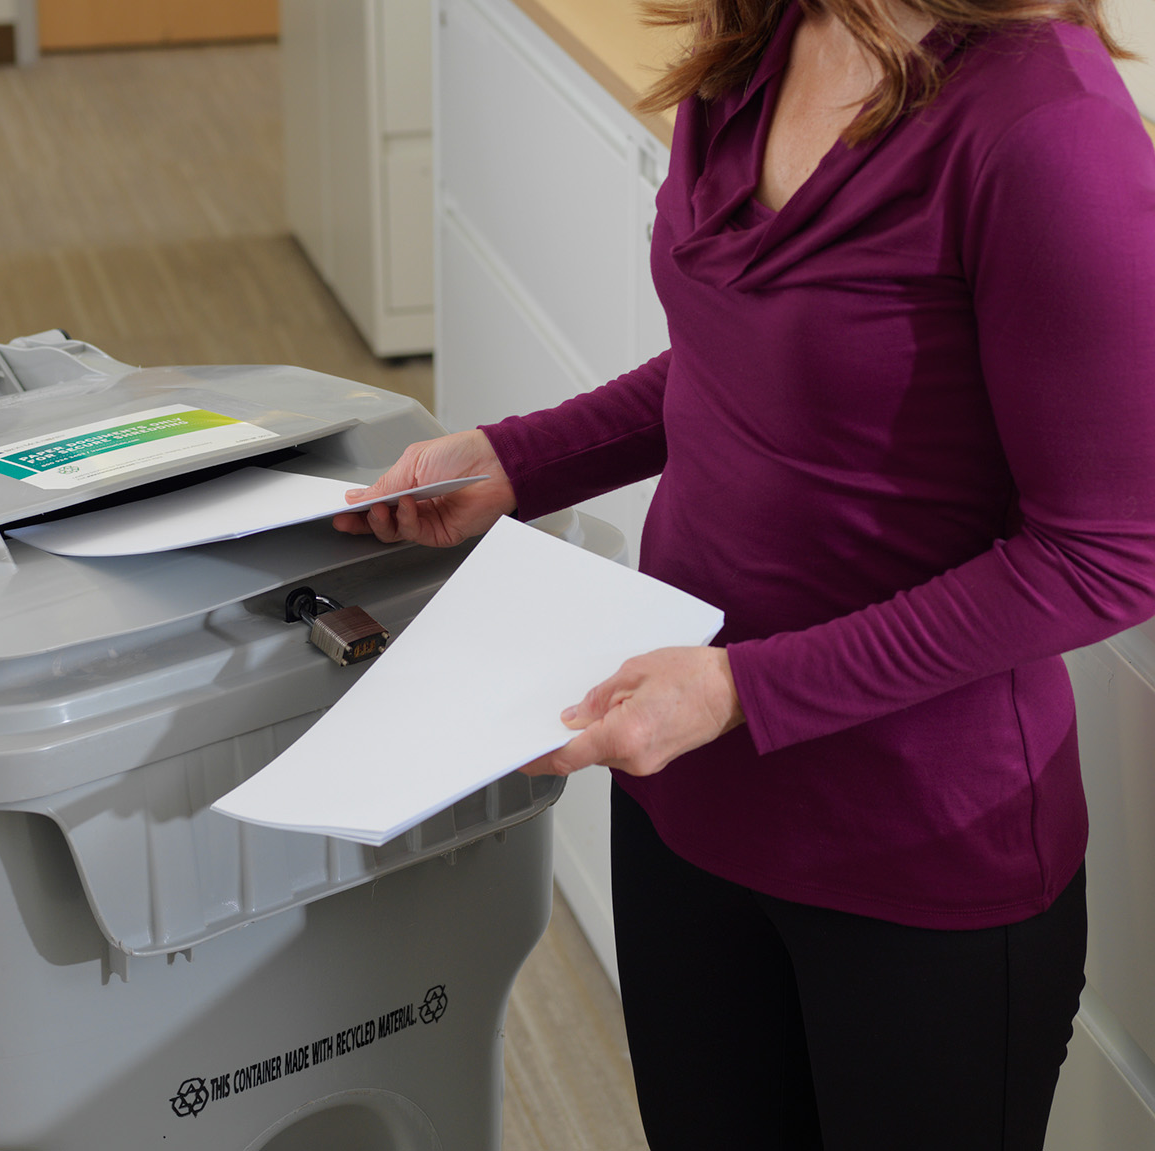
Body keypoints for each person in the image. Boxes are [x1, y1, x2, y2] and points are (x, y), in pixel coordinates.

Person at [334, 1, 1155, 1146]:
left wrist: (744, 691)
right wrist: (524, 457)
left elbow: (1106, 554)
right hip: (689, 798)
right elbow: (736, 359)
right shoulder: (760, 38)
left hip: (912, 853)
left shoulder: (1047, 129)